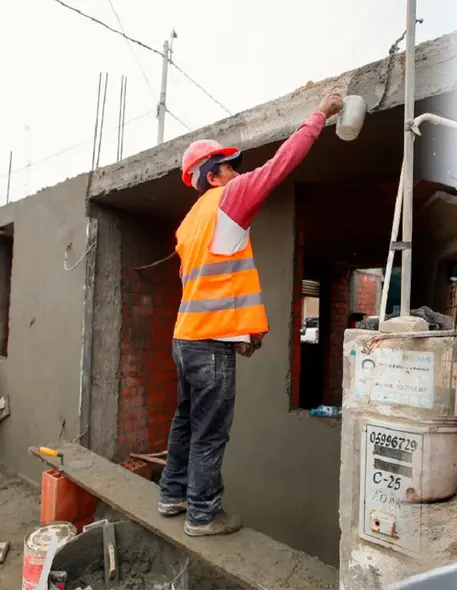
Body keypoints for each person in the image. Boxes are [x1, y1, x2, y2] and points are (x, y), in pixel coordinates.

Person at [158, 92, 343, 537]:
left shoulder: (189, 222)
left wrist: (245, 327)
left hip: (185, 339)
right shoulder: (231, 198)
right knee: (211, 432)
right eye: (230, 165)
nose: (238, 171)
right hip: (209, 345)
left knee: (184, 421)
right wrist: (320, 114)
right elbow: (282, 163)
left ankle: (172, 494)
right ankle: (202, 515)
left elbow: (203, 284)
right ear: (213, 173)